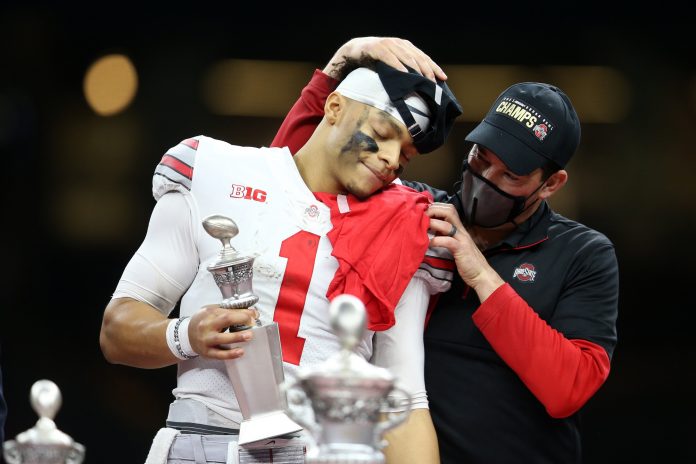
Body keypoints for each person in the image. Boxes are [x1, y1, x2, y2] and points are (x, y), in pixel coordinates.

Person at [99, 39, 462, 464]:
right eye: (382, 135)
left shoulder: (407, 222)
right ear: (334, 107)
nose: (390, 158)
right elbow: (117, 330)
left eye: (406, 154)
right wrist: (186, 335)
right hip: (208, 436)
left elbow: (404, 400)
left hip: (331, 450)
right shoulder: (215, 169)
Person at [272, 37, 619, 464]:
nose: (486, 176)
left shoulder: (584, 253)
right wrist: (336, 67)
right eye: (480, 156)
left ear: (551, 184)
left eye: (509, 174)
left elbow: (569, 389)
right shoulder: (413, 212)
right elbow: (293, 189)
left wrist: (480, 273)